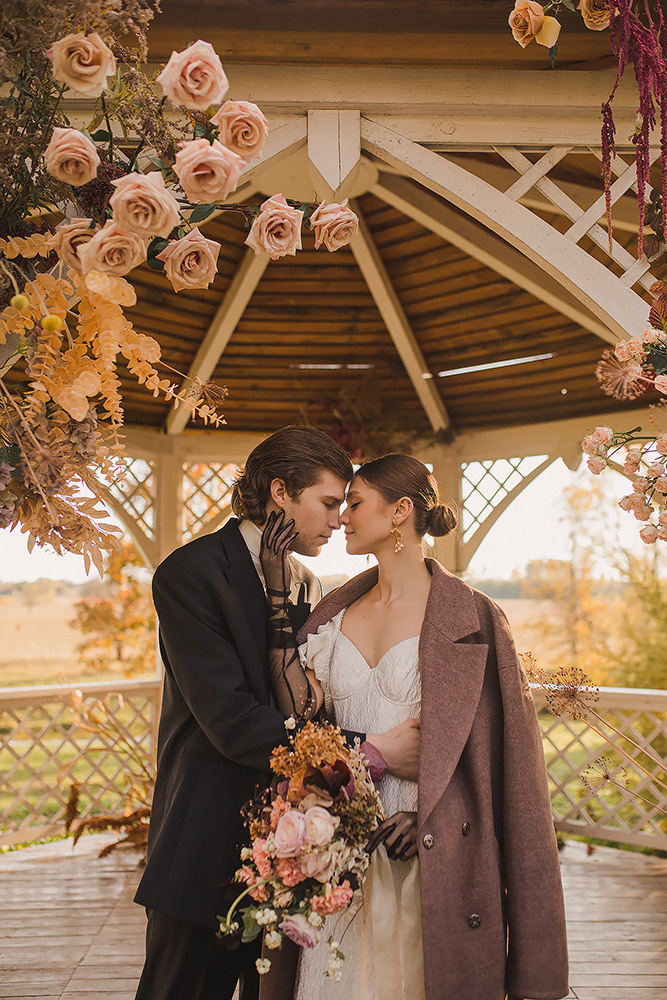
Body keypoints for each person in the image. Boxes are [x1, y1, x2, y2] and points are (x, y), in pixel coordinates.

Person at [261, 453, 569, 1000]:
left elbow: (511, 772)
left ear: (400, 510)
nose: (342, 517)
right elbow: (301, 730)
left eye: (356, 503)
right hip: (340, 857)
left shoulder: (476, 618)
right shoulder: (332, 616)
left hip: (432, 860)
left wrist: (430, 815)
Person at [133, 427, 421, 1000]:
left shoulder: (309, 586)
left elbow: (310, 706)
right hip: (205, 843)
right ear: (281, 492)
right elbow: (232, 721)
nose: (339, 519)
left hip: (296, 855)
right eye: (329, 502)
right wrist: (367, 751)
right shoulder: (190, 573)